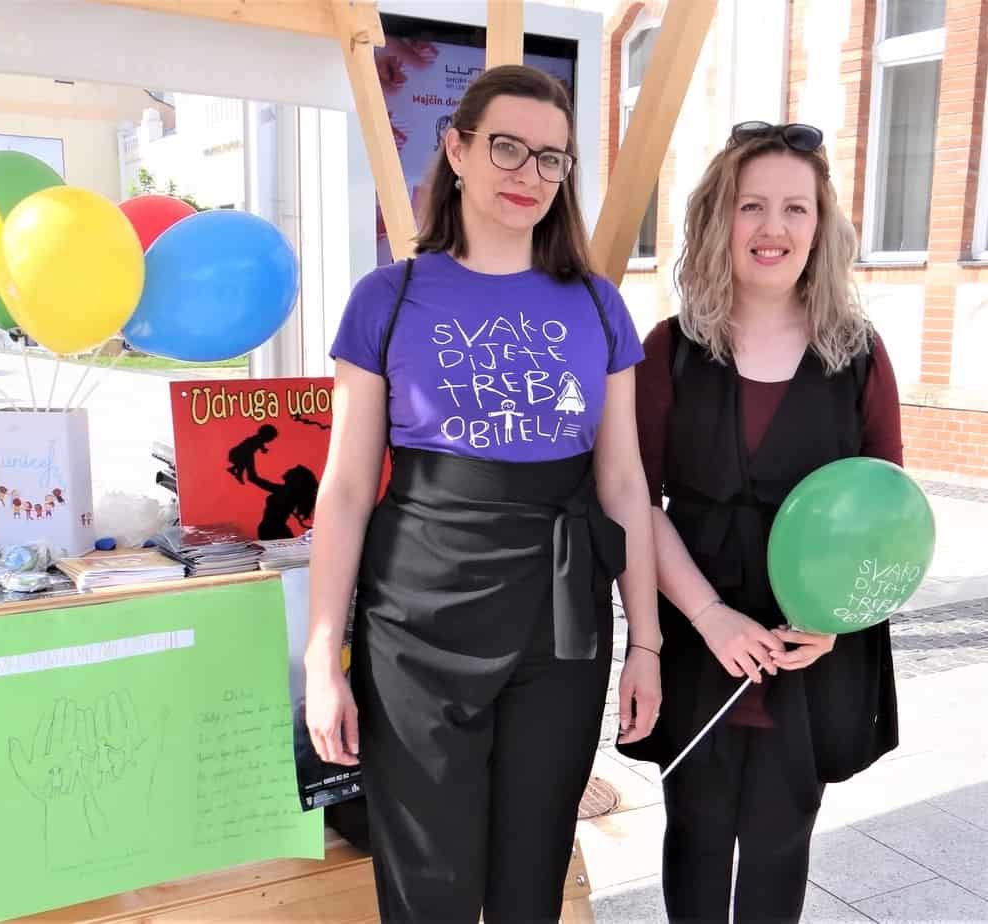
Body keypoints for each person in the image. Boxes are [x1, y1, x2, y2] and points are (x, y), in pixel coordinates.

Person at [305, 65, 662, 922]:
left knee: (529, 881)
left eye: (550, 158)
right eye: (506, 147)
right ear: (457, 151)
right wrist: (322, 655)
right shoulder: (385, 299)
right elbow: (346, 488)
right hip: (414, 625)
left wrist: (645, 644)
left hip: (559, 624)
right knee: (427, 888)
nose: (527, 173)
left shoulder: (598, 306)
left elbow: (623, 483)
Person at [623, 121, 903, 922]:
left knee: (782, 838)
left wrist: (835, 622)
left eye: (794, 208)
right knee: (697, 833)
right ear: (719, 218)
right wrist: (707, 616)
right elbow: (634, 501)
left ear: (820, 227)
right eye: (750, 205)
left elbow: (886, 512)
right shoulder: (668, 351)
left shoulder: (858, 355)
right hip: (697, 630)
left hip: (808, 645)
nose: (772, 227)